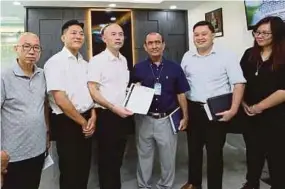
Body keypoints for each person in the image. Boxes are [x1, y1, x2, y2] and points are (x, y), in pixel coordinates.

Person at [180, 21, 246, 189]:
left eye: (204, 34)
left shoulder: (226, 56)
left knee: (214, 154)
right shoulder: (188, 56)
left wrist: (233, 110)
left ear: (213, 35)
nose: (200, 38)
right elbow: (181, 84)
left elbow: (239, 83)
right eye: (196, 35)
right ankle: (194, 184)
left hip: (216, 111)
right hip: (194, 109)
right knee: (194, 151)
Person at [131, 32, 190, 189]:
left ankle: (165, 186)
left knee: (168, 157)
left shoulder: (175, 68)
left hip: (167, 119)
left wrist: (185, 116)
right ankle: (144, 185)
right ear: (145, 46)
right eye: (150, 43)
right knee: (144, 155)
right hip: (144, 119)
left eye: (158, 42)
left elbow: (181, 94)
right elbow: (130, 92)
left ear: (163, 45)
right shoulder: (138, 68)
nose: (154, 46)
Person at [44, 20, 96, 189]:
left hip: (87, 119)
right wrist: (83, 122)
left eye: (81, 33)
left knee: (84, 168)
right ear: (63, 37)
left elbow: (91, 93)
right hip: (67, 122)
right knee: (69, 170)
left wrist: (93, 117)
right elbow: (60, 98)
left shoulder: (85, 63)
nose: (78, 36)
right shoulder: (55, 62)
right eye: (73, 32)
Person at [240, 16, 285, 189]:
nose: (259, 36)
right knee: (253, 154)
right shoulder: (249, 54)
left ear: (278, 34)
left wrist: (259, 107)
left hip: (276, 117)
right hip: (250, 116)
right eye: (257, 32)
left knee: (277, 157)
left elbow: (283, 90)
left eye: (265, 33)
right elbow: (239, 81)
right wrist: (243, 103)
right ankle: (251, 183)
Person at [87, 23, 133, 189]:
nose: (118, 37)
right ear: (104, 38)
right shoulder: (97, 61)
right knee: (107, 162)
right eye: (113, 34)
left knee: (118, 160)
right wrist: (113, 108)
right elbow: (92, 90)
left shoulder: (124, 60)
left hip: (123, 116)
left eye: (120, 34)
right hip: (107, 116)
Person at [1, 32, 49, 189]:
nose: (32, 51)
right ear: (16, 48)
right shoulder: (4, 77)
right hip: (12, 154)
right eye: (26, 46)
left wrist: (47, 134)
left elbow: (45, 107)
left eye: (36, 47)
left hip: (38, 150)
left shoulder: (43, 75)